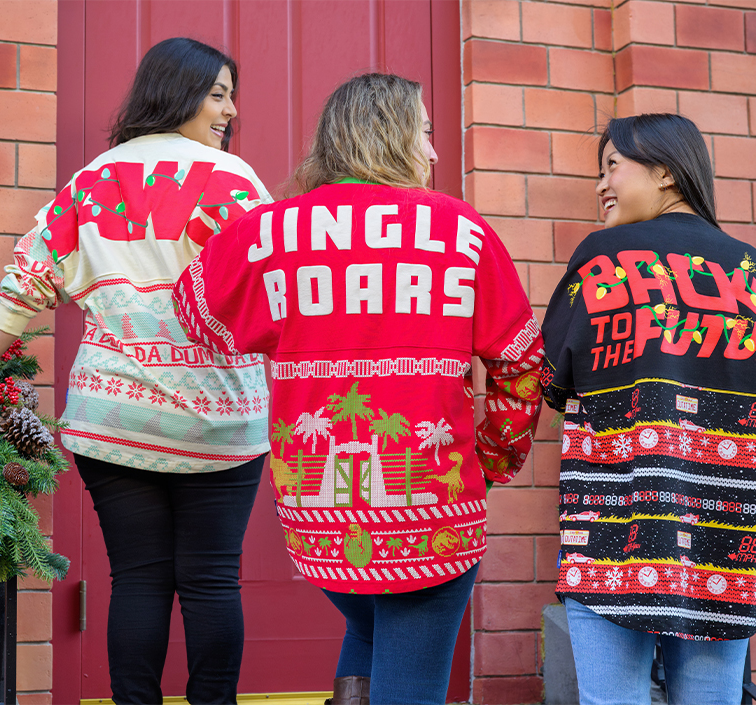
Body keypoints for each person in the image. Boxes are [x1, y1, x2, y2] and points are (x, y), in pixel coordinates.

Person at [172, 73, 544, 704]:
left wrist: (222, 242)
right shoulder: (460, 229)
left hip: (318, 513)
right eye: (424, 132)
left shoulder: (270, 229)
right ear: (391, 135)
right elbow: (519, 361)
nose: (431, 152)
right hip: (431, 508)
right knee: (412, 679)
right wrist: (495, 456)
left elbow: (196, 310)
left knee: (368, 626)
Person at [0, 37, 273, 705]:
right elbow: (275, 284)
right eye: (217, 93)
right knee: (210, 579)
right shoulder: (232, 181)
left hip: (114, 418)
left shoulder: (91, 181)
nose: (230, 109)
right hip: (220, 419)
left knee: (139, 579)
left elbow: (28, 278)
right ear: (176, 91)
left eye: (232, 95)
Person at [540, 112, 756, 705]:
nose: (600, 186)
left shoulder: (600, 258)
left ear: (665, 172)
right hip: (727, 550)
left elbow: (553, 384)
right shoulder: (748, 269)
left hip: (613, 537)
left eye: (611, 167)